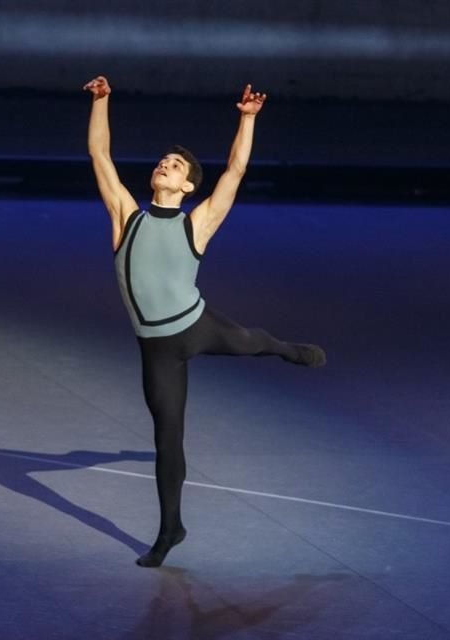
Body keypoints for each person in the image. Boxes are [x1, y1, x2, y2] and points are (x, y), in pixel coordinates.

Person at [83, 75, 326, 568]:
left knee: (252, 341)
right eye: (163, 162)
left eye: (174, 167)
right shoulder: (126, 215)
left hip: (196, 325)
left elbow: (235, 170)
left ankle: (286, 349)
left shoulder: (198, 221)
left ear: (187, 186)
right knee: (167, 437)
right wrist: (102, 102)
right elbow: (100, 155)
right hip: (156, 348)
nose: (164, 166)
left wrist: (248, 118)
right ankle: (171, 528)